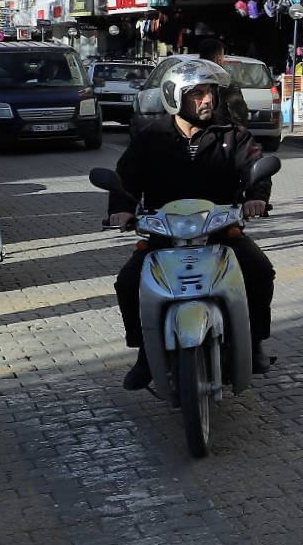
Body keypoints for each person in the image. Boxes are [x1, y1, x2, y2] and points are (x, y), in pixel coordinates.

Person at [110, 60, 276, 390]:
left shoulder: (233, 135)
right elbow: (126, 178)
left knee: (259, 272)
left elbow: (255, 169)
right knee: (128, 282)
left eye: (210, 93)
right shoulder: (151, 137)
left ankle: (254, 341)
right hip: (164, 235)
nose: (206, 100)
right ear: (174, 97)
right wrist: (122, 209)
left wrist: (255, 197)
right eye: (197, 94)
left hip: (220, 231)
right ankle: (145, 352)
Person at [194, 37, 251, 127]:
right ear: (219, 60)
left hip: (194, 131)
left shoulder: (190, 77)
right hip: (219, 132)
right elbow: (239, 113)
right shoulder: (226, 80)